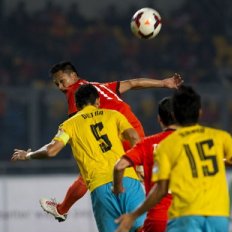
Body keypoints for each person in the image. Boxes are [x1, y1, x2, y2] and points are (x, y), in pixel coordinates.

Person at [114, 85, 232, 232]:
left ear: (175, 114)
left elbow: (160, 189)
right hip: (218, 217)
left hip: (186, 216)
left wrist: (134, 215)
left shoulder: (168, 145)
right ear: (200, 112)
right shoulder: (219, 137)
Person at [40, 61, 183, 222]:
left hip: (120, 133)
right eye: (56, 84)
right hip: (132, 130)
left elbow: (79, 125)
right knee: (142, 175)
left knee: (89, 174)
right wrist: (163, 83)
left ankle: (62, 209)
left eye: (62, 81)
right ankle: (170, 211)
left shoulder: (76, 92)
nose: (60, 86)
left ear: (73, 76)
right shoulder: (99, 86)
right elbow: (132, 83)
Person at [12, 84, 146, 232]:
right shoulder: (113, 115)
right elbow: (135, 137)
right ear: (97, 101)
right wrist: (140, 167)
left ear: (76, 104)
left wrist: (28, 155)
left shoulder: (70, 125)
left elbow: (51, 151)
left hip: (100, 188)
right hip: (128, 179)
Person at [113, 96, 176, 232]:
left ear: (159, 119)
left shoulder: (149, 143)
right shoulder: (194, 142)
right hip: (189, 217)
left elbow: (119, 166)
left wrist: (118, 188)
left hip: (159, 219)